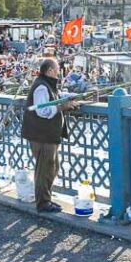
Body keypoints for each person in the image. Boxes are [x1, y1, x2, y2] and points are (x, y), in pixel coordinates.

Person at [20, 58, 79, 213]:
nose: (59, 70)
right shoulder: (41, 87)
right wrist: (62, 106)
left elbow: (55, 97)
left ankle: (47, 199)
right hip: (41, 135)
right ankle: (43, 203)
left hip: (46, 135)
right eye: (57, 68)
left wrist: (68, 99)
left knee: (52, 167)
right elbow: (43, 110)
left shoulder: (47, 84)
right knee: (44, 170)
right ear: (50, 70)